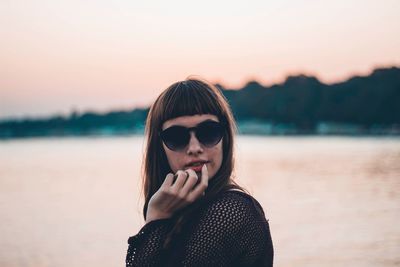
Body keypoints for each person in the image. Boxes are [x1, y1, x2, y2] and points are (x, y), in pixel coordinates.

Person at [126, 77, 274, 267]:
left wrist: (155, 219)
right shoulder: (180, 213)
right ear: (160, 148)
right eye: (177, 137)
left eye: (208, 132)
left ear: (225, 139)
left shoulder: (231, 211)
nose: (194, 147)